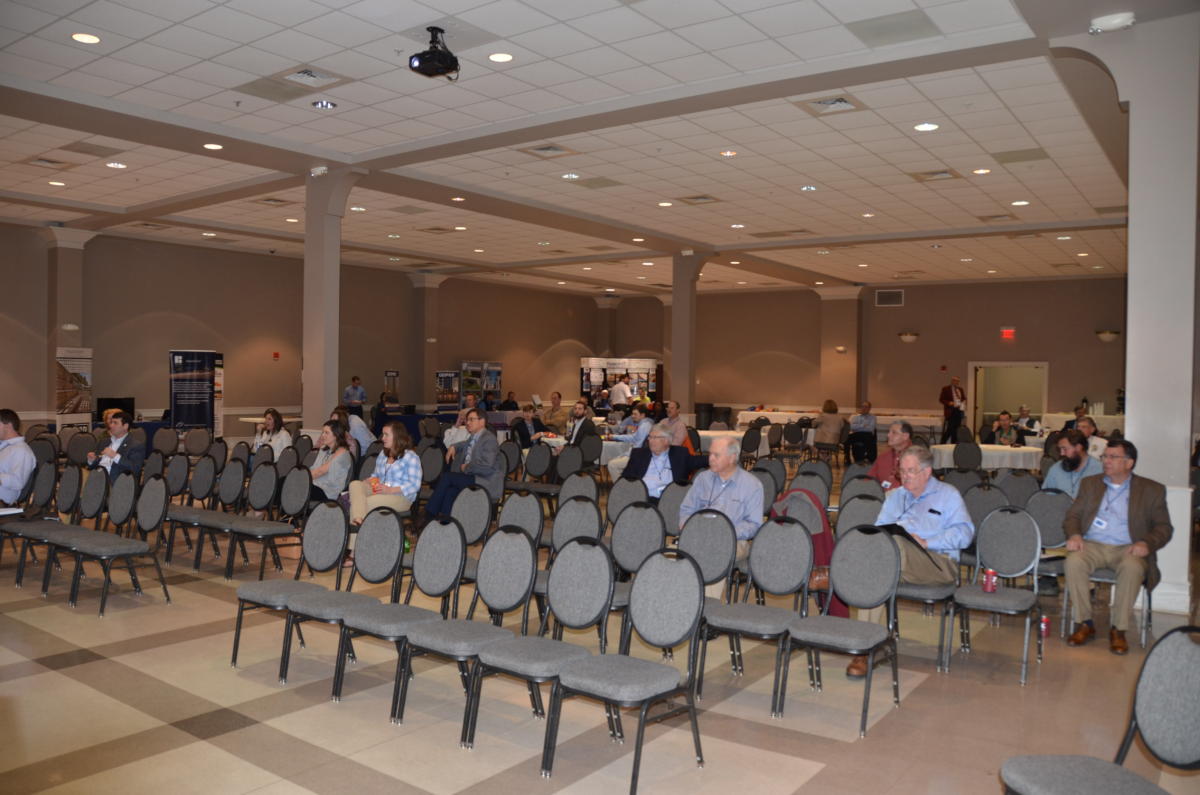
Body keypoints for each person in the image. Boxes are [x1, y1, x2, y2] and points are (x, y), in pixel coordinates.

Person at [849, 445, 974, 678]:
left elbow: (965, 534)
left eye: (910, 471)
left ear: (926, 472)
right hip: (897, 561)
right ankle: (866, 646)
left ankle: (841, 577)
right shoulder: (896, 496)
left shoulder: (948, 495)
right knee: (878, 563)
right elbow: (879, 529)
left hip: (938, 563)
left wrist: (927, 542)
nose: (904, 476)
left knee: (887, 554)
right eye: (902, 471)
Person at [1064, 439, 1172, 655]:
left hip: (1128, 548)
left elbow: (1164, 527)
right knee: (1073, 561)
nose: (1106, 461)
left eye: (1113, 457)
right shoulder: (1090, 484)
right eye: (1105, 456)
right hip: (1092, 545)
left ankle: (1118, 629)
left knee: (1133, 567)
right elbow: (1072, 516)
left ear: (1129, 463)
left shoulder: (1151, 490)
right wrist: (1075, 534)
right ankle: (1085, 623)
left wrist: (1146, 543)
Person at [679, 436, 764, 589]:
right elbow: (687, 509)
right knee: (676, 554)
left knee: (711, 554)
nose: (710, 459)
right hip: (700, 535)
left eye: (716, 455)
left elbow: (754, 524)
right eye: (710, 454)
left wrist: (723, 532)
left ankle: (702, 601)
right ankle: (683, 597)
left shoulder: (752, 485)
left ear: (732, 458)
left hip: (734, 540)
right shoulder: (703, 479)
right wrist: (687, 525)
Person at [425, 408, 502, 517]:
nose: (467, 423)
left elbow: (487, 467)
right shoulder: (474, 437)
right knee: (450, 491)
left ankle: (429, 515)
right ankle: (446, 522)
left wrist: (466, 468)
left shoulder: (489, 439)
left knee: (447, 477)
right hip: (473, 477)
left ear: (482, 421)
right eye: (467, 420)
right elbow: (465, 444)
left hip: (486, 481)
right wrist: (454, 446)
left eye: (471, 419)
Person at [348, 421, 421, 525]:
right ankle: (360, 524)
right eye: (383, 434)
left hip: (401, 497)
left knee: (362, 503)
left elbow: (414, 485)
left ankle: (357, 529)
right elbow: (376, 475)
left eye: (386, 435)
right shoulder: (383, 453)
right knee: (355, 484)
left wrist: (390, 490)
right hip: (380, 490)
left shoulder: (411, 457)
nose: (382, 438)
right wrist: (369, 481)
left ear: (397, 437)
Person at [621, 424, 696, 500]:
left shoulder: (680, 454)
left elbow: (699, 461)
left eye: (655, 437)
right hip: (643, 498)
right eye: (650, 437)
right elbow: (624, 479)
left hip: (670, 499)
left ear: (666, 440)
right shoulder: (639, 455)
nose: (650, 440)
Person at [86, 409, 145, 480]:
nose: (111, 425)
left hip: (116, 481)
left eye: (115, 423)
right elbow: (93, 465)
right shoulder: (104, 442)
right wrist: (92, 460)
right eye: (111, 422)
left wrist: (115, 456)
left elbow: (135, 469)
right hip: (97, 477)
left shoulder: (135, 445)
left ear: (125, 426)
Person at [1043, 430, 1103, 498]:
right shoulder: (1057, 468)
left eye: (1064, 449)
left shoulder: (1099, 471)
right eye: (1060, 449)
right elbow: (1045, 497)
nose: (1062, 453)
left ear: (1078, 447)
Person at [606, 403, 653, 480]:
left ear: (642, 415)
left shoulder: (645, 426)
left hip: (641, 457)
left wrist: (626, 454)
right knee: (617, 460)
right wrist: (615, 436)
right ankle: (625, 483)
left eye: (635, 414)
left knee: (612, 465)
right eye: (632, 414)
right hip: (642, 454)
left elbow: (638, 446)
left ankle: (620, 486)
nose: (632, 416)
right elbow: (633, 437)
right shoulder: (645, 423)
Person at [309, 420, 353, 501]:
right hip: (316, 484)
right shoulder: (324, 449)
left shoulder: (342, 453)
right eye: (323, 432)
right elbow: (315, 468)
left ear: (336, 435)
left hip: (328, 491)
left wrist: (304, 477)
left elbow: (321, 471)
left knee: (297, 484)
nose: (322, 435)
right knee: (288, 480)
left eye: (326, 433)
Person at [0, 409, 36, 507]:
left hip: (3, 501)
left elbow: (18, 482)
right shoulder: (5, 446)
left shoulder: (21, 450)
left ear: (8, 425)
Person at [867, 421, 913, 491]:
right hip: (881, 495)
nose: (888, 435)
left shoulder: (917, 457)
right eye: (889, 432)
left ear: (905, 436)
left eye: (894, 433)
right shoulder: (883, 457)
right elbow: (869, 479)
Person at [939, 376, 966, 443]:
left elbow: (963, 398)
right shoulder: (946, 389)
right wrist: (949, 403)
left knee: (957, 429)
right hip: (951, 411)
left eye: (957, 381)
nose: (956, 382)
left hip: (959, 411)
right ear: (952, 381)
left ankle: (953, 444)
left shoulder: (960, 389)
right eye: (954, 380)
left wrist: (963, 402)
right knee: (950, 429)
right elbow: (941, 399)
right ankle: (942, 442)